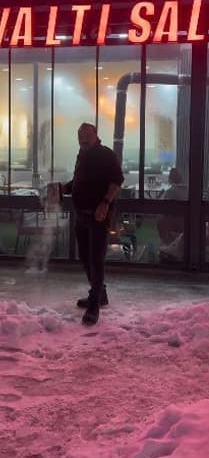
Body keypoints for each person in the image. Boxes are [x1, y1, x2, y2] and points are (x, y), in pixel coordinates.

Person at [61, 123, 124, 325]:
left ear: (95, 135)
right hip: (81, 215)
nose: (83, 140)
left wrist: (105, 203)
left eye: (86, 136)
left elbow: (116, 181)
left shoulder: (106, 154)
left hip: (99, 216)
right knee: (85, 257)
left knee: (96, 259)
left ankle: (94, 305)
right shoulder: (82, 154)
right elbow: (78, 181)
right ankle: (99, 293)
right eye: (80, 137)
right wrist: (64, 188)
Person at [156, 168, 187, 244]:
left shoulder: (171, 191)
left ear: (170, 179)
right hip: (187, 219)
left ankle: (165, 243)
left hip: (177, 221)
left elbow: (164, 208)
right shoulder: (187, 189)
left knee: (160, 220)